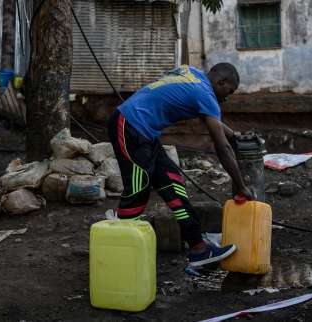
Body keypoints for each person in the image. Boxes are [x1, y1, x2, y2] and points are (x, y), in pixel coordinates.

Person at [107, 63, 254, 267]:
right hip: (128, 124)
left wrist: (233, 134)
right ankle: (119, 256)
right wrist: (241, 185)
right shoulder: (206, 96)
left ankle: (198, 249)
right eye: (228, 91)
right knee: (139, 187)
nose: (227, 98)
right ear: (221, 82)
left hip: (146, 133)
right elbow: (223, 148)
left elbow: (207, 117)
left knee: (173, 184)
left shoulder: (191, 73)